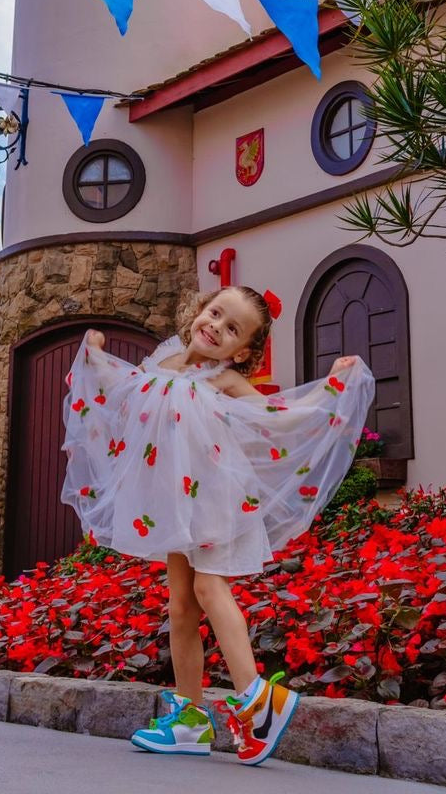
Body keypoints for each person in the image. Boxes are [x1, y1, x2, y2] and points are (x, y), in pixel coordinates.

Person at [61, 285, 374, 766]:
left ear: (241, 351)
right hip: (176, 508)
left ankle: (257, 700)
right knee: (181, 607)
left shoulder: (223, 381)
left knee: (209, 588)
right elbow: (114, 387)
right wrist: (95, 356)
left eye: (232, 330)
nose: (216, 327)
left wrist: (332, 388)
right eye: (214, 314)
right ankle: (190, 719)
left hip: (216, 503)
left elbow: (279, 418)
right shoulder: (158, 366)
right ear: (197, 313)